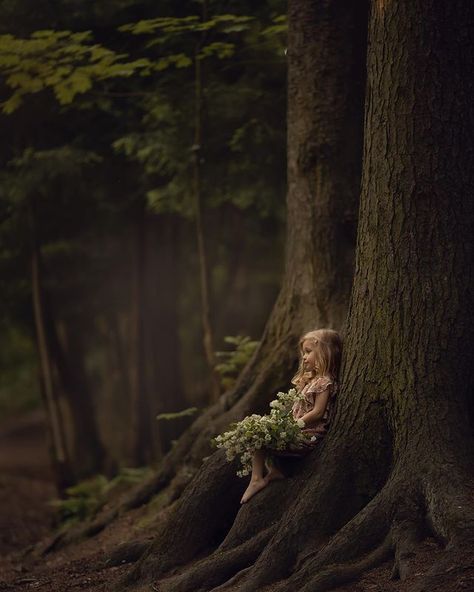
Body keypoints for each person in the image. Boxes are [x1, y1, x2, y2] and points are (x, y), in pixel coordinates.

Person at [240, 328, 342, 504]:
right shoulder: (312, 381)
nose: (303, 357)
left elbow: (318, 412)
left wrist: (294, 426)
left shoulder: (324, 382)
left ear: (324, 352)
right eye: (303, 352)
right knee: (258, 432)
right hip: (297, 431)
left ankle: (256, 479)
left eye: (308, 352)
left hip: (308, 435)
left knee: (260, 436)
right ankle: (274, 471)